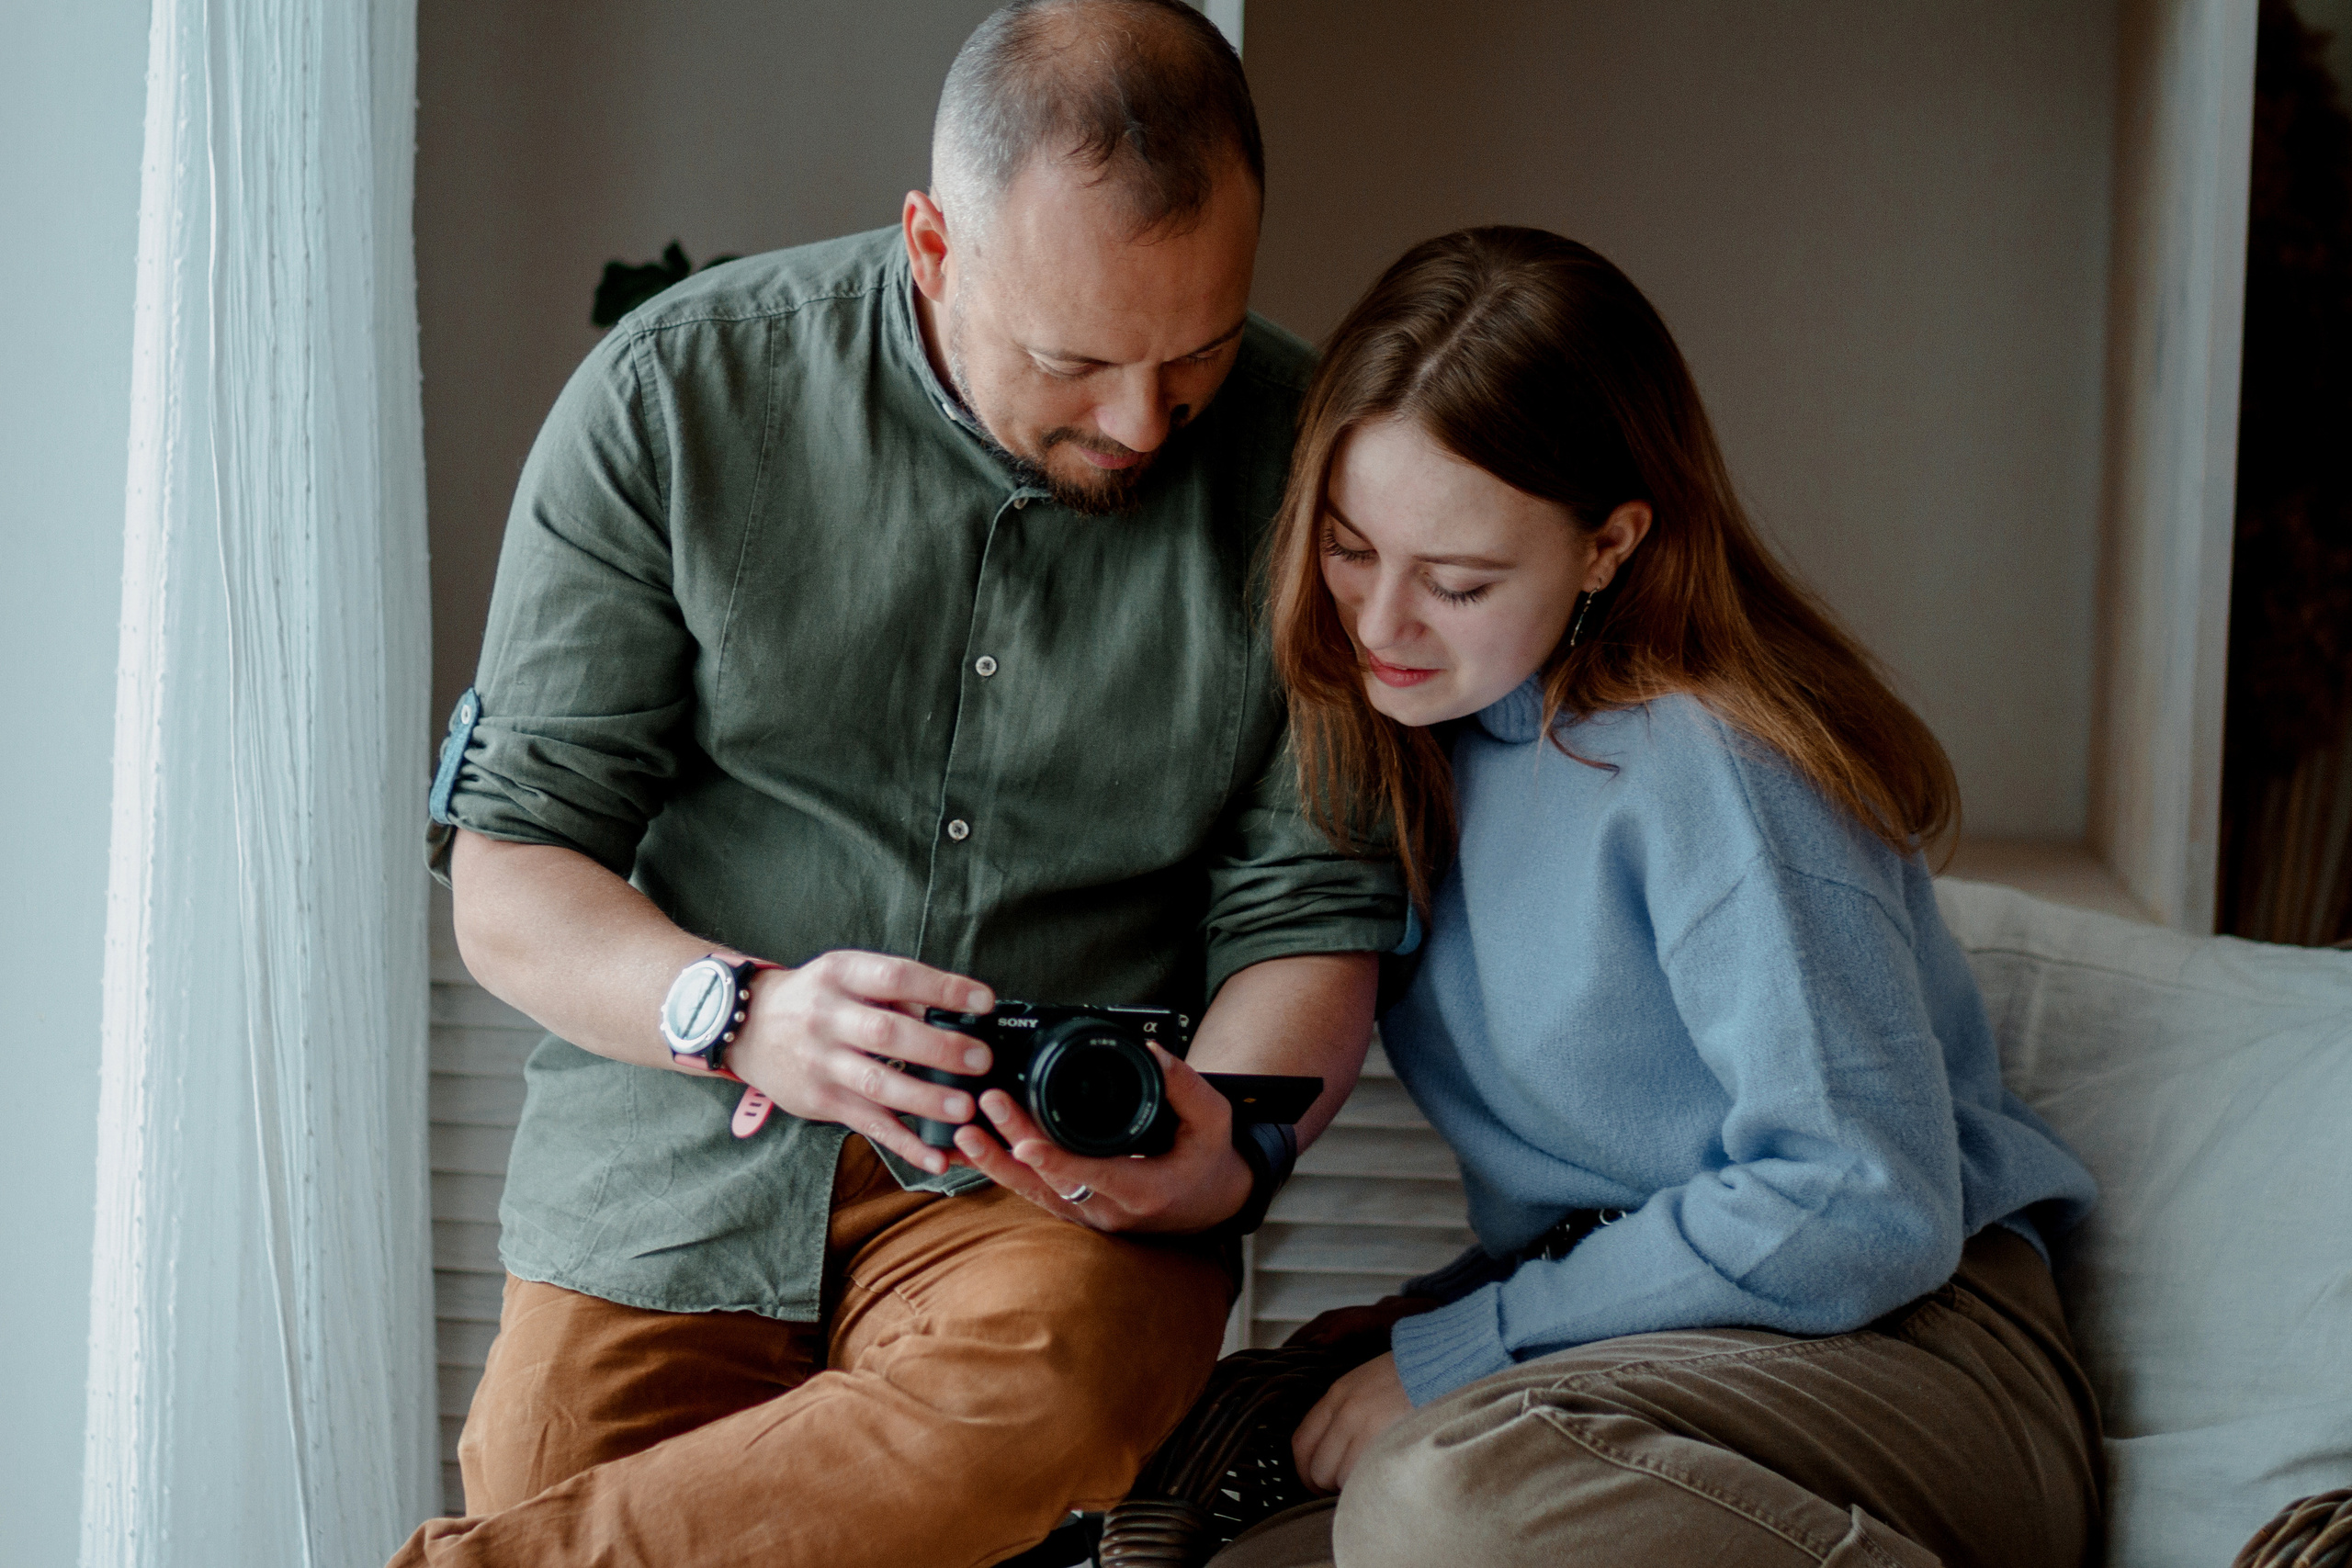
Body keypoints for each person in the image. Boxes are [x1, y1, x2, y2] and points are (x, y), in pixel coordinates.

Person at [390, 6, 1405, 1565]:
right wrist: (743, 1014)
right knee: (552, 1469)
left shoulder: (1302, 462)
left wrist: (1239, 1141)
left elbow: (1310, 904)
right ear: (932, 245)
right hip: (669, 1171)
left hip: (1051, 1202)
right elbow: (513, 866)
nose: (1144, 425)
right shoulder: (672, 397)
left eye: (1194, 352)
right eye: (1075, 360)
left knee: (1045, 1400)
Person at [1214, 227, 2105, 1568]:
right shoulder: (1421, 742)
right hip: (1672, 1346)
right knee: (1232, 1510)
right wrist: (1441, 1319)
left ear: (1610, 545)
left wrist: (1474, 1347)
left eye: (1457, 582)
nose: (1381, 623)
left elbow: (1859, 1198)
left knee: (1434, 1505)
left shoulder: (1713, 766)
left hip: (1912, 1349)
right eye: (1348, 548)